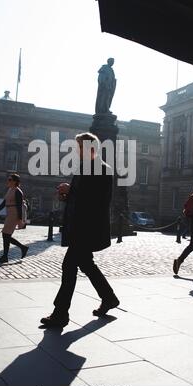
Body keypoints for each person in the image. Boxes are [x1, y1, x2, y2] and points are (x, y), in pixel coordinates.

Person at [40, 132, 119, 328]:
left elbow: (97, 201)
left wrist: (71, 190)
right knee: (86, 265)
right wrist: (67, 194)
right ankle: (109, 298)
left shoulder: (101, 169)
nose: (77, 151)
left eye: (79, 147)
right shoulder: (85, 168)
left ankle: (60, 314)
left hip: (86, 229)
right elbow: (80, 198)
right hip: (79, 227)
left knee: (69, 267)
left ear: (91, 148)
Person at [0, 173, 29, 264]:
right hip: (10, 213)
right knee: (6, 235)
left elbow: (19, 206)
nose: (8, 181)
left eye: (10, 180)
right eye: (8, 179)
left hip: (14, 214)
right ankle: (22, 248)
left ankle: (6, 256)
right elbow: (4, 203)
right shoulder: (10, 190)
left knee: (5, 234)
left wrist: (20, 220)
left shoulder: (18, 191)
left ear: (15, 182)